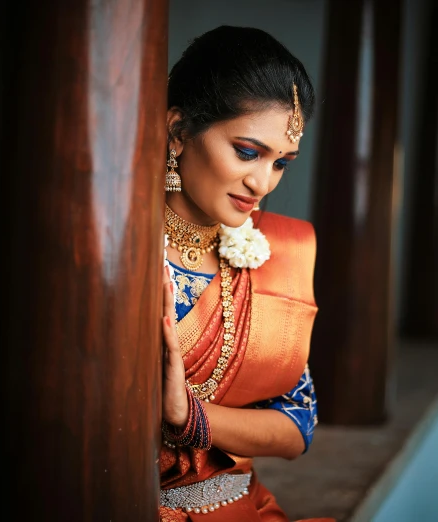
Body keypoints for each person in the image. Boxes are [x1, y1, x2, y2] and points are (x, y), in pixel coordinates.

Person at [159, 26, 331, 522]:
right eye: (248, 151)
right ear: (178, 131)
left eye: (282, 163)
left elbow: (299, 426)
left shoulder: (280, 252)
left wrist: (188, 417)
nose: (262, 183)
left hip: (243, 511)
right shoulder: (113, 249)